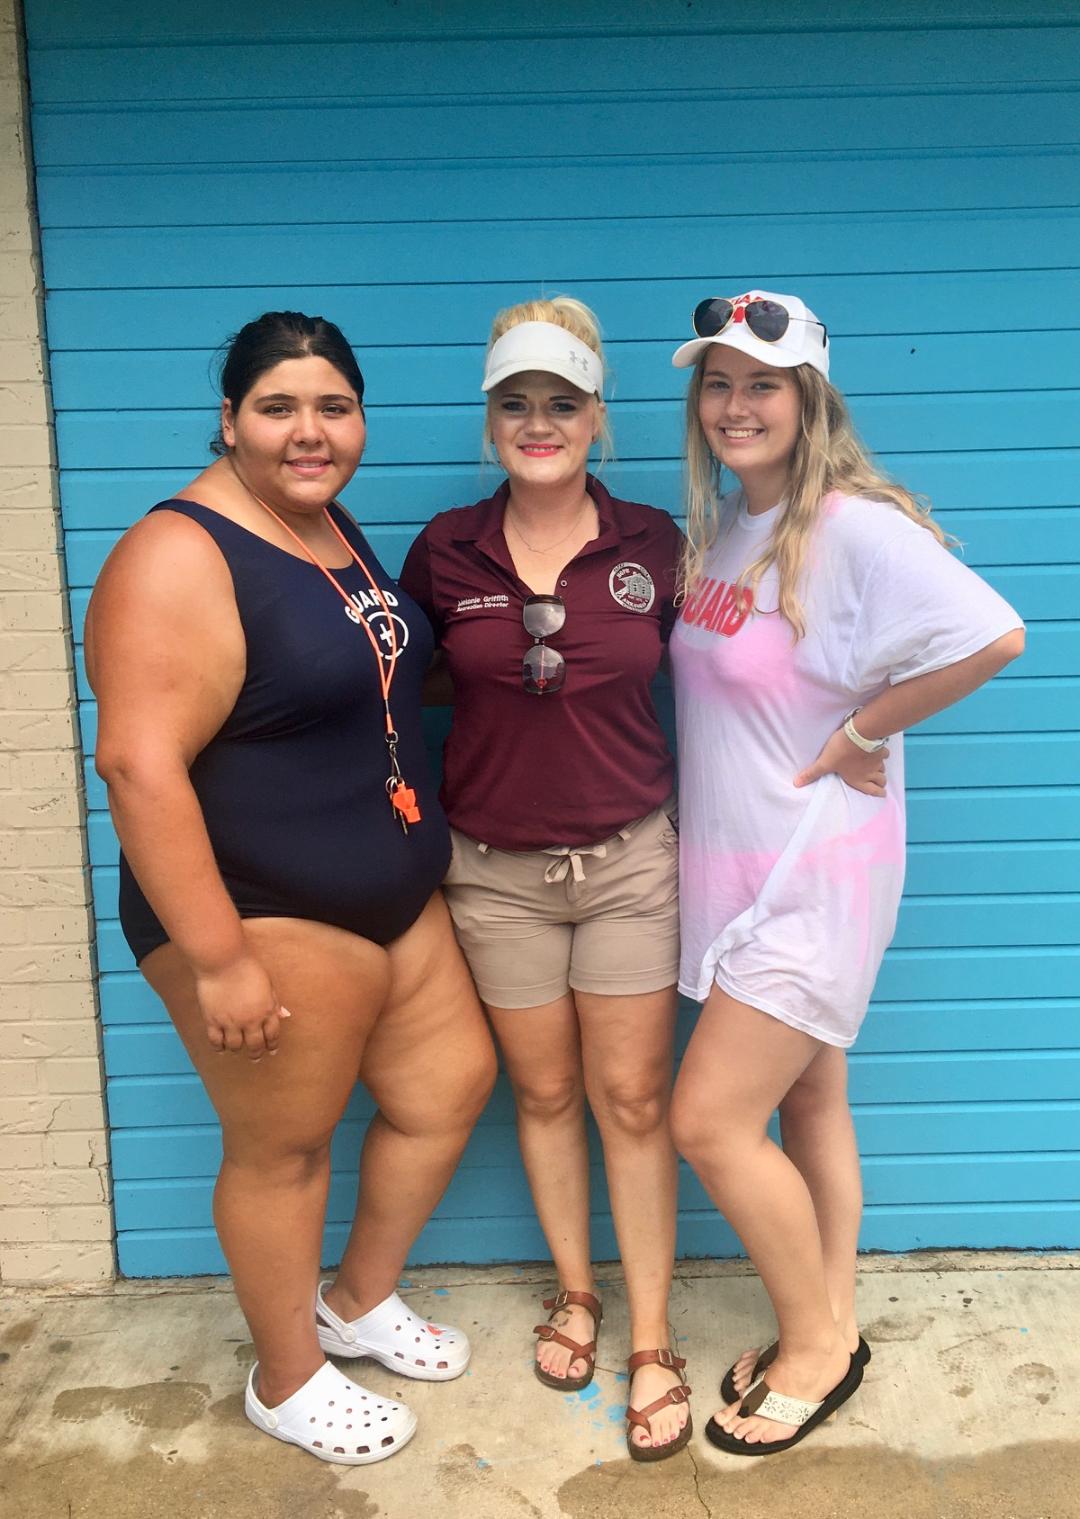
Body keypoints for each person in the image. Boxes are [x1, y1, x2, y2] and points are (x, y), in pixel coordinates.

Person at [86, 311, 497, 1466]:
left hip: (388, 893)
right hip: (260, 904)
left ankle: (355, 1297)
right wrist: (219, 955)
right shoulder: (178, 551)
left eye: (333, 406)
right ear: (229, 419)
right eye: (278, 407)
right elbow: (136, 762)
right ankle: (286, 1373)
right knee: (284, 1149)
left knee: (450, 1083)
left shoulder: (321, 525)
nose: (309, 431)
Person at [666, 291, 1025, 1456]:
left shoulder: (851, 523)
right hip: (742, 866)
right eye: (718, 383)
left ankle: (815, 1349)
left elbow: (992, 633)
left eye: (762, 383)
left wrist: (867, 732)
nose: (736, 404)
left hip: (816, 872)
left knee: (711, 1121)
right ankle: (836, 1315)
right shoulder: (728, 524)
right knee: (810, 1098)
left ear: (810, 396)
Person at [399, 297, 692, 1460]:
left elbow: (740, 656)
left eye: (561, 403)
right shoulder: (444, 547)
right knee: (546, 1096)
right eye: (515, 403)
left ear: (597, 419)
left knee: (632, 1101)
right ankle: (579, 1289)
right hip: (493, 875)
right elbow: (395, 681)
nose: (538, 423)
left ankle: (655, 1336)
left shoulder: (657, 542)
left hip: (629, 865)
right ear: (490, 420)